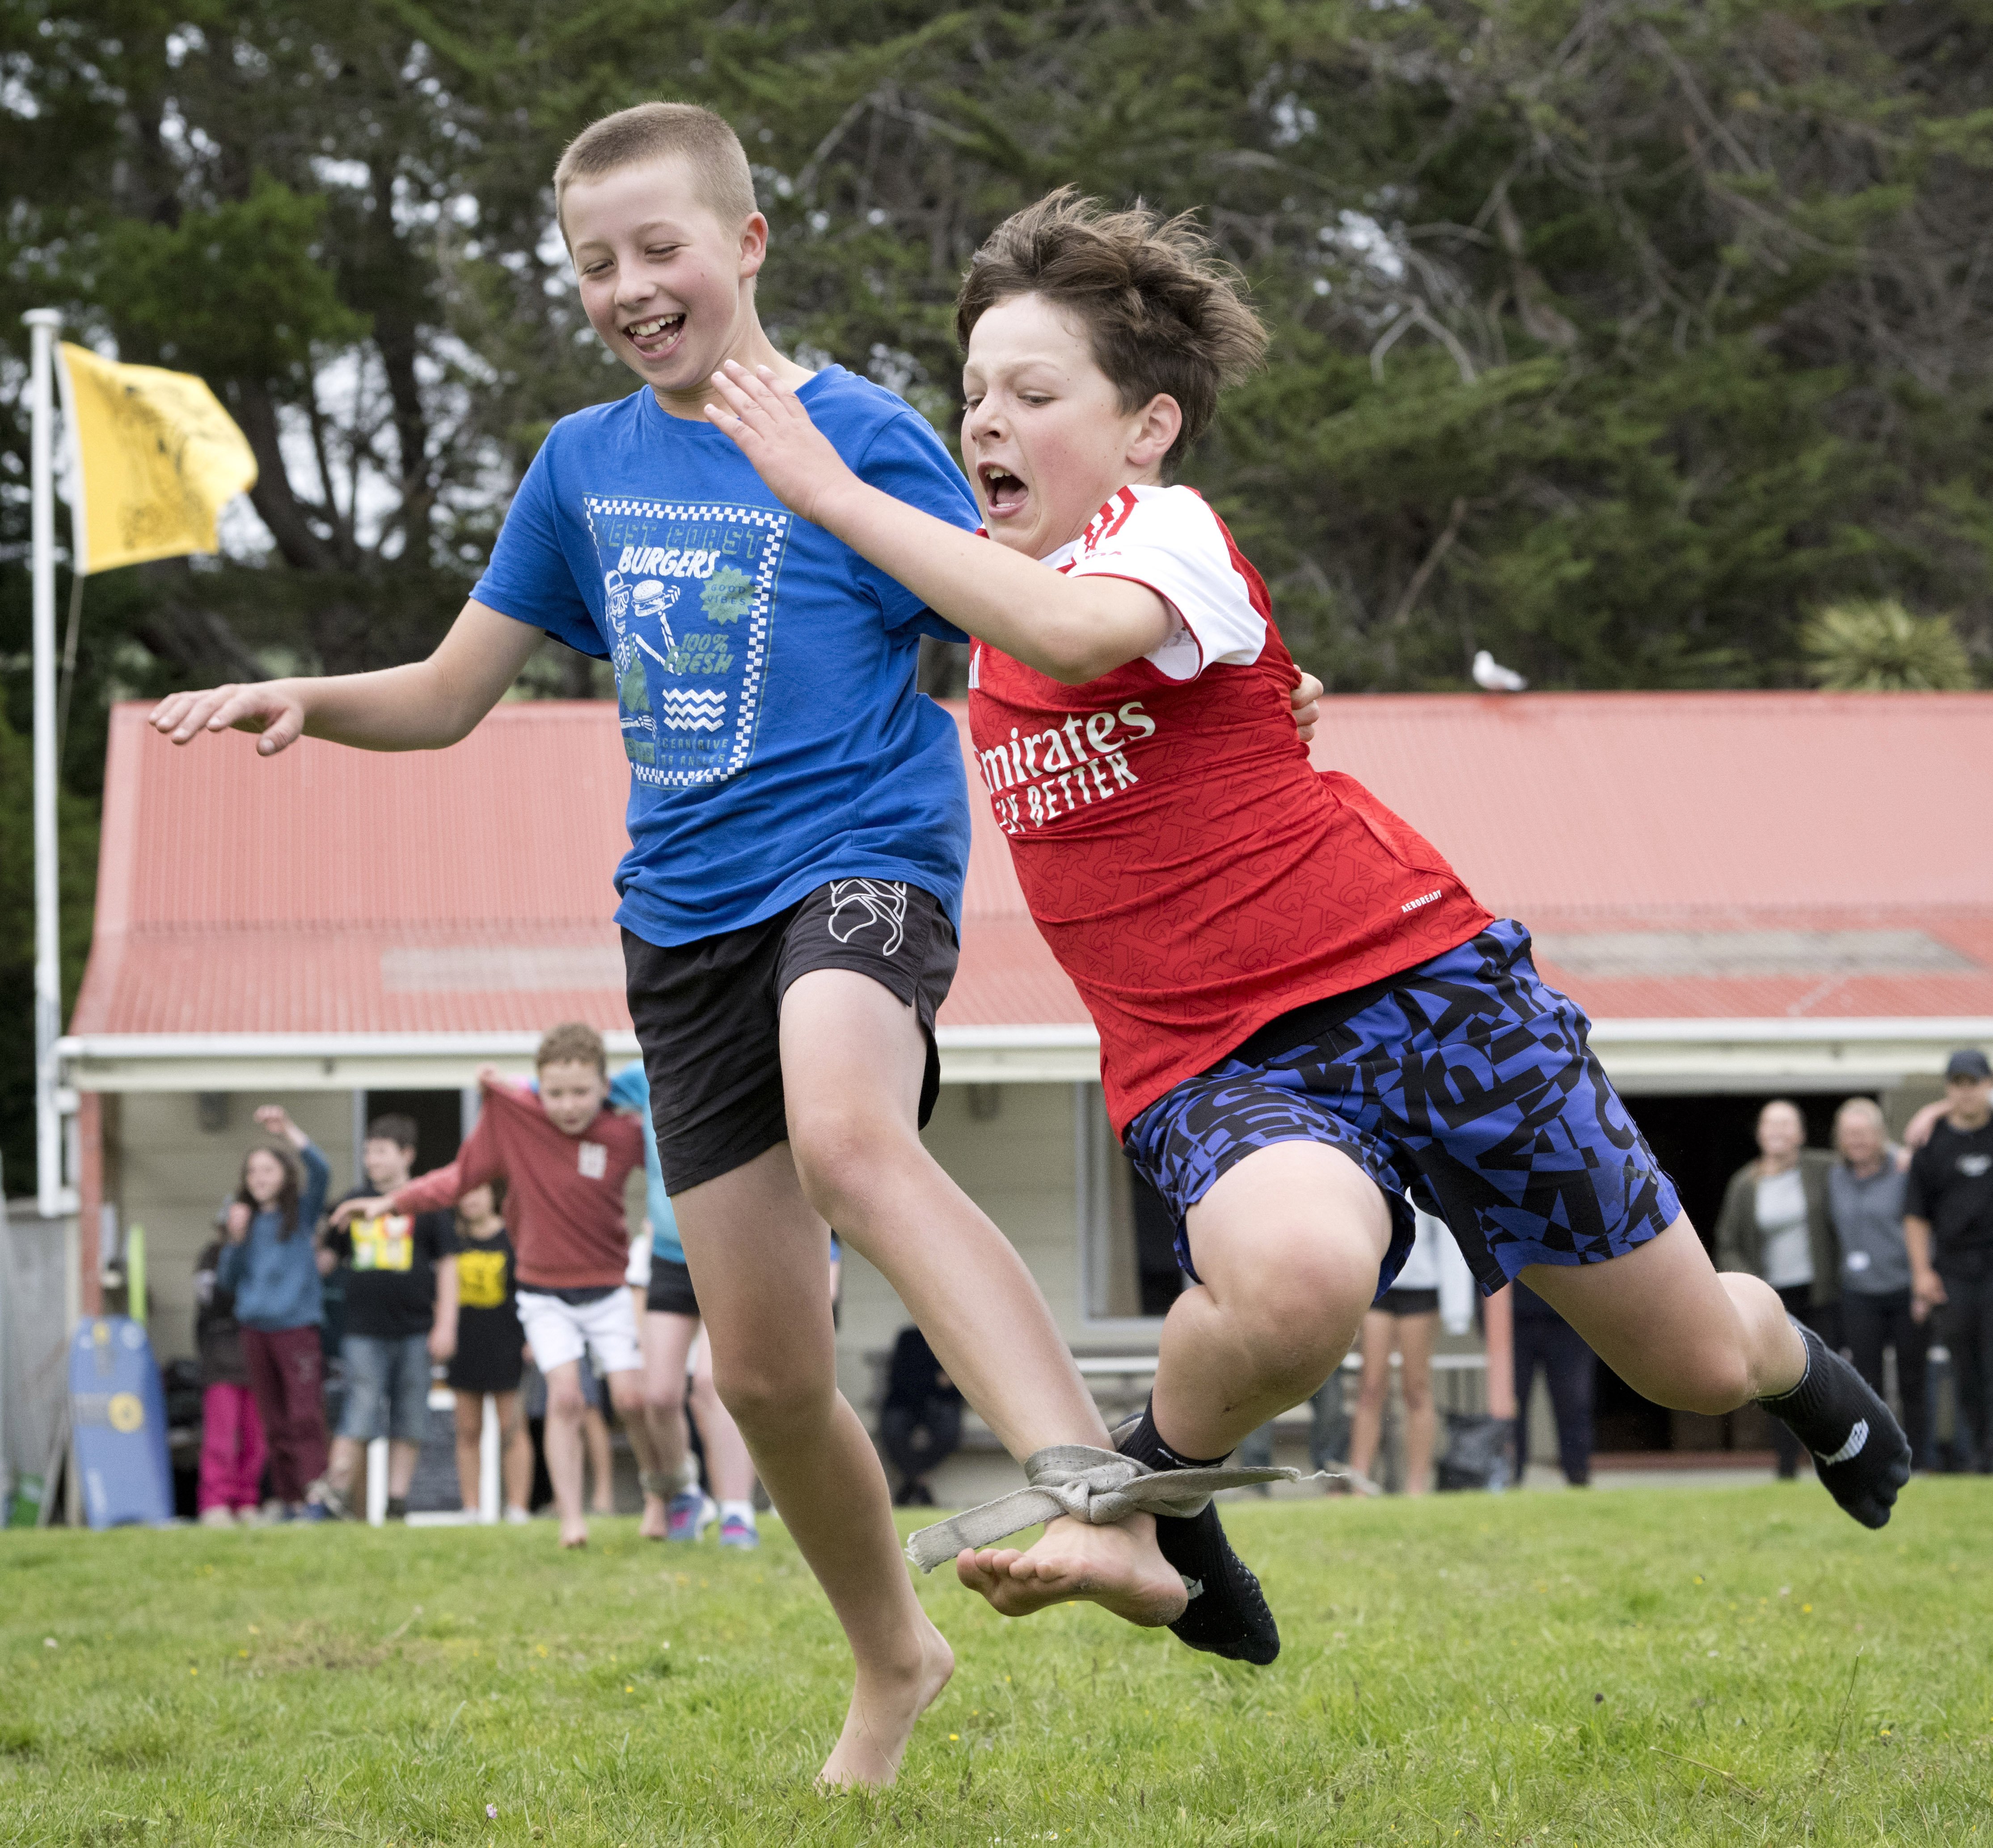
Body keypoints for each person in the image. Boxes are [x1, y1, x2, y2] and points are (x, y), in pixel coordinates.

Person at [146, 106, 1312, 1785]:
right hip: (680, 931)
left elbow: (1040, 609)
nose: (629, 285)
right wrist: (305, 699)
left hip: (861, 868)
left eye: (659, 247)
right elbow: (450, 693)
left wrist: (1238, 686)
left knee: (852, 1130)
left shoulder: (863, 438)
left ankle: (1105, 1503)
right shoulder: (583, 467)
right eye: (594, 262)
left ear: (748, 243)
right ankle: (891, 1656)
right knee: (764, 1371)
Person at [702, 187, 1913, 1638]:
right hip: (1216, 1059)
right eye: (972, 393)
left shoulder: (1160, 536)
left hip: (1426, 991)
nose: (985, 421)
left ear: (1143, 428)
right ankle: (1164, 1489)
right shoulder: (973, 607)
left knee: (1693, 1366)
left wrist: (830, 486)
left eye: (1032, 391)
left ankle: (1789, 1355)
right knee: (1294, 1278)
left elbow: (1083, 632)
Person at [337, 1023, 662, 1548]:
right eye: (555, 1093)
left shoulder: (622, 1135)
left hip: (607, 1289)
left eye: (581, 1092)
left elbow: (675, 1176)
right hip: (542, 1292)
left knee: (632, 1398)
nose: (568, 1105)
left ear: (605, 1087)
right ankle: (572, 1520)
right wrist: (391, 1203)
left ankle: (659, 1492)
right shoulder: (515, 1124)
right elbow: (458, 1178)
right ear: (537, 1087)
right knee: (564, 1400)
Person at [609, 1061, 760, 1548]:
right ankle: (688, 1494)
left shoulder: (742, 1068)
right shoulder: (650, 1072)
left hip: (731, 1254)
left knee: (711, 1387)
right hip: (670, 1258)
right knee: (658, 1395)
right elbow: (582, 1086)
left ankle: (738, 1512)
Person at [313, 1114, 459, 1521]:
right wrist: (313, 1234)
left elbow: (448, 1266)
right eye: (367, 1151)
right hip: (362, 1331)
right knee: (360, 1407)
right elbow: (325, 1261)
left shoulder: (427, 1204)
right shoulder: (353, 1201)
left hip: (415, 1330)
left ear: (406, 1155)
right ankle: (337, 1496)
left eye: (381, 1151)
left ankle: (396, 1502)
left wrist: (446, 1325)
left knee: (410, 1416)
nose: (371, 1160)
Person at [216, 1105, 333, 1521]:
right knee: (275, 1423)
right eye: (252, 1173)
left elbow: (322, 1170)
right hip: (256, 1331)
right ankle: (290, 1501)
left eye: (268, 1170)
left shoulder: (300, 1213)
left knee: (304, 1417)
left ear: (284, 1174)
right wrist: (235, 1239)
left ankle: (318, 1499)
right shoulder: (243, 1222)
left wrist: (289, 1132)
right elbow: (228, 1282)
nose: (259, 1179)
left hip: (297, 1328)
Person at [1714, 1101, 1841, 1479]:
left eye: (1787, 1125)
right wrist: (1755, 1285)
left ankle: (1831, 1463)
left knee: (1826, 1379)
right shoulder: (1744, 1183)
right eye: (1771, 1125)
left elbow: (1868, 1160)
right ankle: (1785, 1467)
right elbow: (1728, 1241)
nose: (1778, 1133)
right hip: (1774, 1300)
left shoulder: (1823, 1169)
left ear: (1801, 1135)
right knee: (1781, 1384)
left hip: (1819, 1293)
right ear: (1759, 1134)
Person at [1825, 1098, 1928, 1472]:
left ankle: (1918, 1457)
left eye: (1864, 1134)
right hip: (1858, 1293)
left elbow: (1923, 1224)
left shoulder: (1904, 1168)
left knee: (1912, 1378)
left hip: (1904, 1288)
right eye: (1849, 1135)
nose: (1857, 1142)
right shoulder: (1834, 1176)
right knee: (1866, 1383)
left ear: (1880, 1135)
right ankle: (1879, 1459)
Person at [1906, 1049, 1993, 1472]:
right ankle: (1980, 1453)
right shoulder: (1931, 1144)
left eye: (1973, 1083)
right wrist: (1922, 1271)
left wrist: (1935, 1108)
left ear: (1988, 1085)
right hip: (1954, 1271)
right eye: (1957, 1085)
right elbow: (1916, 1216)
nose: (1966, 1093)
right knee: (1966, 1366)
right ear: (1948, 1088)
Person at [447, 1179, 534, 1522]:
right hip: (465, 1343)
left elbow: (530, 1288)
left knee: (511, 1428)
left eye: (478, 1192)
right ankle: (471, 1508)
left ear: (492, 1196)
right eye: (465, 1193)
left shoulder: (513, 1237)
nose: (471, 1200)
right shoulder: (452, 1239)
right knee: (468, 1430)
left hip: (508, 1343)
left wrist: (531, 1339)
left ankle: (517, 1507)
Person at [1346, 1212, 1444, 1496]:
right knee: (1371, 1388)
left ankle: (1417, 1488)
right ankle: (1359, 1486)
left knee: (1416, 1389)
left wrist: (1457, 1310)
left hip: (1422, 1289)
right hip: (1379, 1284)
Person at [193, 1216, 267, 1525]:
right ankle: (215, 1502)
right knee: (221, 1439)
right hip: (221, 1359)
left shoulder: (266, 1255)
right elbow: (215, 1301)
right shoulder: (212, 1256)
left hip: (258, 1358)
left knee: (256, 1440)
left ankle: (247, 1501)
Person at [1504, 1279, 1596, 1486]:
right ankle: (1510, 1477)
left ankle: (1578, 1476)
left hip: (1569, 1317)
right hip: (1512, 1317)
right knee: (1510, 1406)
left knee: (1573, 1401)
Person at [879, 1325, 963, 1506]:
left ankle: (912, 1483)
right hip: (906, 1402)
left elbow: (957, 1385)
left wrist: (931, 1381)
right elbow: (901, 1378)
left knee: (949, 1431)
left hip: (940, 1404)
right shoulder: (909, 1338)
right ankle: (921, 1482)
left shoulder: (952, 1340)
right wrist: (935, 1380)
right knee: (893, 1430)